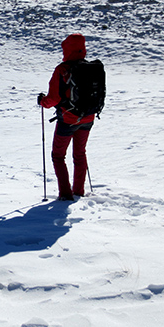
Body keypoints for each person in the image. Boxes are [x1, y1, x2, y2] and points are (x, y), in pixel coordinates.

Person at [37, 34, 94, 201]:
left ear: (67, 49)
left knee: (58, 155)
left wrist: (43, 102)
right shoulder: (90, 68)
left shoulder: (62, 70)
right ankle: (79, 190)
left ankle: (65, 194)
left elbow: (53, 99)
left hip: (68, 119)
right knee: (80, 153)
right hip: (88, 118)